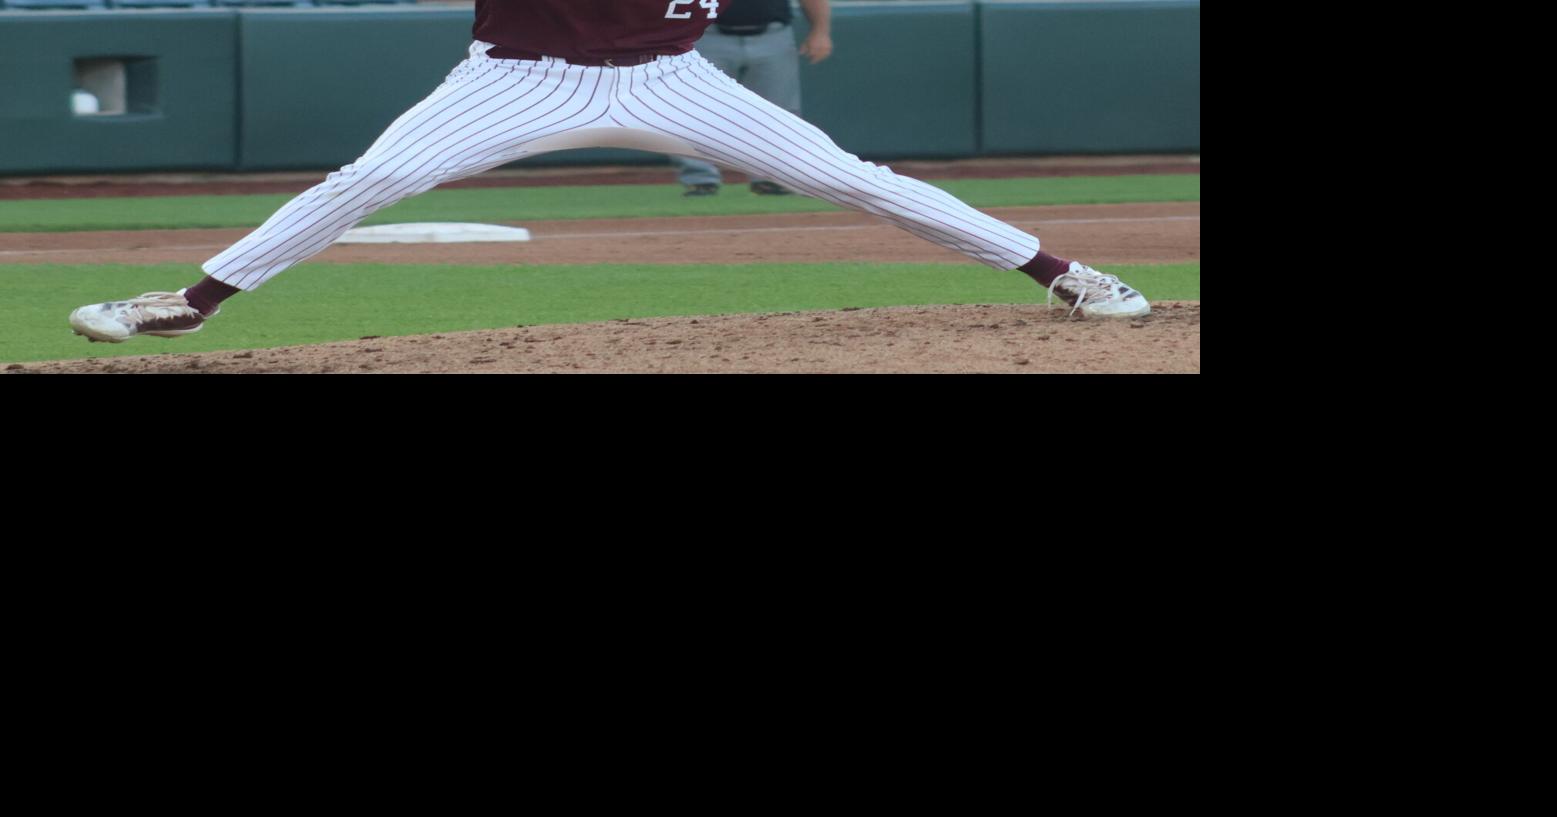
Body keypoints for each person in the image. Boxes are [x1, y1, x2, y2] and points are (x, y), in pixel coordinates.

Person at [68, 0, 1149, 345]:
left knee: (858, 177)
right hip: (519, 79)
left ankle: (1065, 271)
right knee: (366, 178)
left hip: (674, 79)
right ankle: (193, 299)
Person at [672, 0, 832, 197]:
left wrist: (820, 31)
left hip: (772, 34)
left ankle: (772, 179)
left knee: (777, 113)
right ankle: (699, 179)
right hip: (706, 34)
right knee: (691, 108)